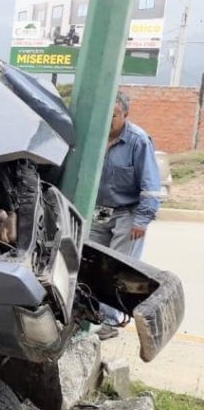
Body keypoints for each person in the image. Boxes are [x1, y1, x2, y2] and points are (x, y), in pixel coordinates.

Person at [89, 92, 161, 339]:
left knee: (117, 267)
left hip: (128, 214)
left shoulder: (138, 141)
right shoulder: (94, 138)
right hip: (98, 212)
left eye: (114, 115)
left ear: (125, 115)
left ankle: (109, 321)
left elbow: (151, 186)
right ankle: (90, 316)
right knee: (92, 263)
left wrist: (142, 220)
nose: (108, 120)